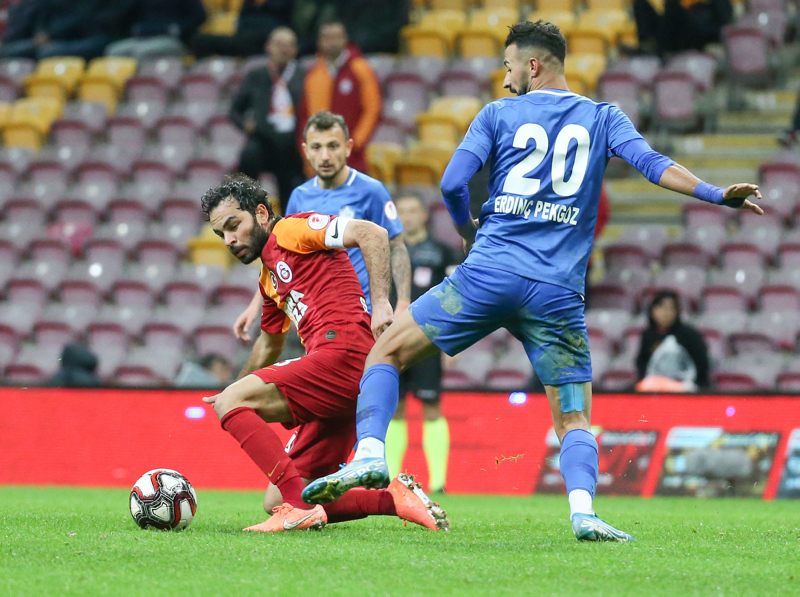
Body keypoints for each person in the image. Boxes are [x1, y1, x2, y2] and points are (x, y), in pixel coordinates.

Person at [302, 20, 763, 542]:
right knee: (574, 416)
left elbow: (452, 182)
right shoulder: (604, 117)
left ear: (533, 65)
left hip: (488, 275)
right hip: (556, 293)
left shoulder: (497, 114)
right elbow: (653, 165)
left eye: (509, 67)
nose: (505, 79)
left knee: (385, 352)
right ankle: (584, 513)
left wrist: (467, 230)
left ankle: (369, 453)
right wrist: (715, 194)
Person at [200, 174, 448, 532]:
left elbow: (372, 233)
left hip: (343, 353)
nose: (229, 240)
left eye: (233, 225)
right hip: (342, 377)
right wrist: (234, 389)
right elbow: (269, 344)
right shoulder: (269, 279)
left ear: (261, 214)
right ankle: (393, 500)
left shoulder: (291, 230)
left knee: (234, 406)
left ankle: (298, 511)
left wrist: (381, 303)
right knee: (279, 497)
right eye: (220, 233)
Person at [231, 111, 411, 344]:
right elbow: (278, 257)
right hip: (317, 318)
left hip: (364, 314)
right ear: (306, 151)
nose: (325, 156)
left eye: (333, 146)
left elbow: (396, 247)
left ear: (348, 147)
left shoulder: (371, 191)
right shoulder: (299, 196)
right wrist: (255, 307)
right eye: (317, 147)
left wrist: (403, 303)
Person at [385, 195, 460, 493]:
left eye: (413, 210)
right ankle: (390, 479)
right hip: (392, 338)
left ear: (425, 215)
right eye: (402, 211)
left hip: (429, 338)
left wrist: (454, 340)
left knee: (431, 405)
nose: (408, 216)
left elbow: (456, 297)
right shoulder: (386, 250)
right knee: (395, 407)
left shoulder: (443, 252)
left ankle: (439, 482)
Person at [229, 27, 305, 215]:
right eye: (279, 44)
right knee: (248, 160)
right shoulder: (256, 75)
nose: (283, 50)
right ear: (268, 47)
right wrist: (245, 124)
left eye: (289, 45)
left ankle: (290, 223)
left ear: (295, 49)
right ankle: (246, 213)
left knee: (292, 187)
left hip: (292, 142)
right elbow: (234, 111)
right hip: (263, 137)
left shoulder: (304, 76)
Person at [297, 21, 381, 175]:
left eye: (336, 37)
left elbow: (373, 109)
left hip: (353, 159)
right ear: (319, 41)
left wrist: (356, 142)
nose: (332, 42)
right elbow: (305, 117)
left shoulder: (361, 69)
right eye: (327, 38)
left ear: (345, 39)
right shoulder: (313, 75)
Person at [635, 290, 710, 392]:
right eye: (661, 307)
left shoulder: (689, 335)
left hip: (685, 390)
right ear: (652, 310)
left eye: (671, 308)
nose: (666, 312)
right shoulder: (648, 336)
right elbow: (642, 364)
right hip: (655, 390)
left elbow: (701, 365)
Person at [104, 0, 206, 60]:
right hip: (144, 38)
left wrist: (176, 29)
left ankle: (144, 86)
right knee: (113, 51)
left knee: (142, 52)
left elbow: (200, 16)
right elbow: (127, 17)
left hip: (175, 40)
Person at [191, 0, 293, 58]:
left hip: (269, 32)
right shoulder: (248, 5)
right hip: (244, 31)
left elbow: (284, 16)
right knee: (200, 40)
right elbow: (243, 16)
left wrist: (265, 3)